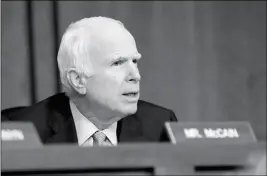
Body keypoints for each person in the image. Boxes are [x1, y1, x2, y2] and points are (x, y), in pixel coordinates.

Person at [3, 17, 177, 146]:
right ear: (78, 80)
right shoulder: (22, 131)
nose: (135, 75)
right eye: (117, 63)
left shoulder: (160, 126)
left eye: (134, 61)